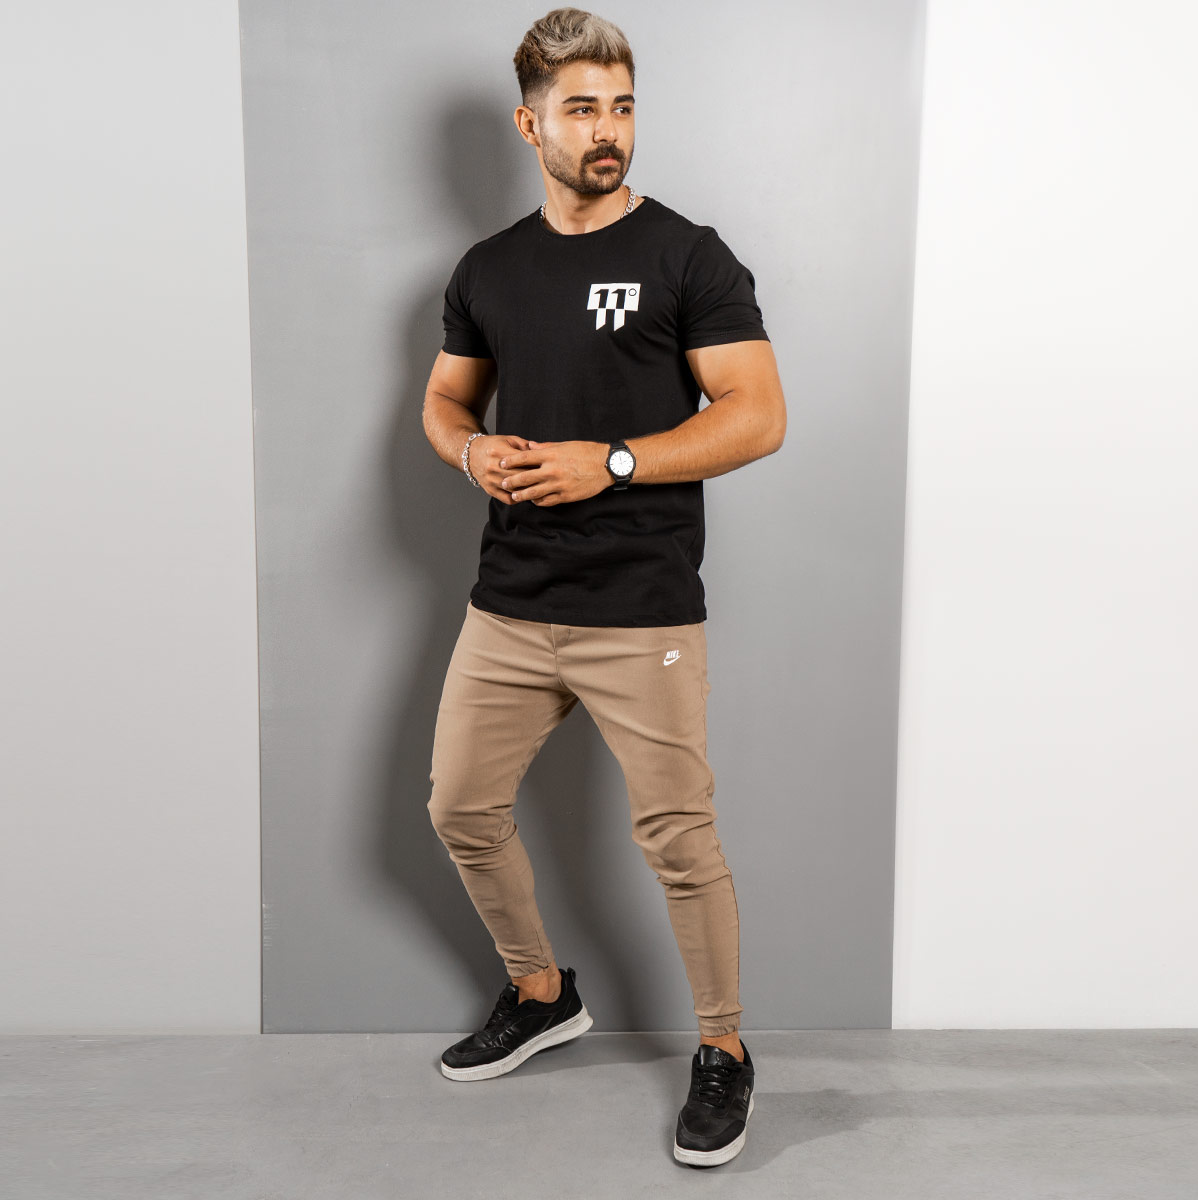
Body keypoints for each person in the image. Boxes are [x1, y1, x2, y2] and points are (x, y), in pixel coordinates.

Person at [422, 6, 785, 1168]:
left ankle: (723, 1050)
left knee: (678, 839)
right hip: (509, 605)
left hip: (641, 610)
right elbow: (444, 402)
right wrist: (469, 452)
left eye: (622, 107)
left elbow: (758, 416)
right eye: (582, 109)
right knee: (459, 808)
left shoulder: (689, 256)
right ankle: (541, 993)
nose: (608, 130)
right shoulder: (488, 269)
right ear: (530, 125)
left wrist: (614, 461)